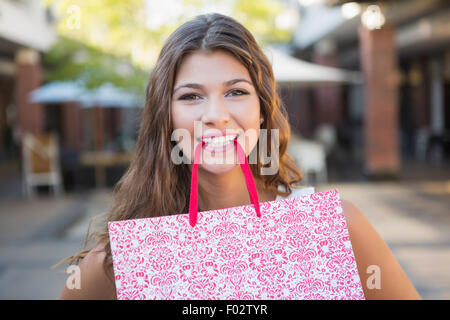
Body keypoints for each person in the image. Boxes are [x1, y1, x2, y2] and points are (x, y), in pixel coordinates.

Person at [59, 13, 420, 300]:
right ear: (165, 117)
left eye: (235, 92)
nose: (215, 114)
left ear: (262, 109)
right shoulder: (122, 260)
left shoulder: (337, 227)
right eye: (191, 96)